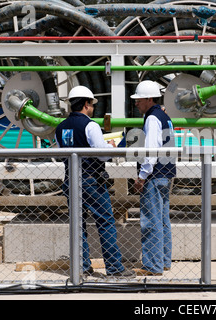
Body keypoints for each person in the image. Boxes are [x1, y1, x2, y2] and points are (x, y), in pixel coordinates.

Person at [55, 86, 134, 278]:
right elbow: (102, 155)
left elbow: (59, 155)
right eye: (91, 104)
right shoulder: (90, 126)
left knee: (78, 225)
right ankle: (115, 269)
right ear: (85, 104)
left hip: (70, 180)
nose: (92, 108)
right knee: (105, 222)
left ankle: (81, 268)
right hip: (92, 180)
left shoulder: (60, 127)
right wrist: (112, 147)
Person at [130, 80, 177, 276]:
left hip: (154, 175)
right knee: (163, 220)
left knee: (151, 221)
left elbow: (150, 151)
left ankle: (152, 266)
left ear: (149, 98)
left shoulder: (151, 119)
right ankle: (164, 261)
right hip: (166, 174)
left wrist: (141, 177)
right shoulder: (165, 116)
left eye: (139, 99)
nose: (136, 103)